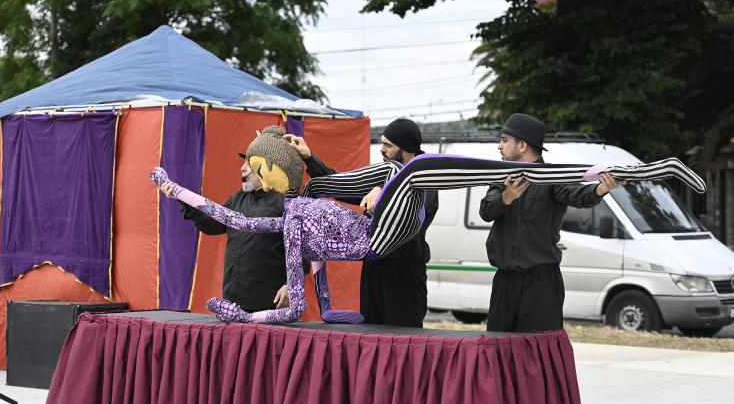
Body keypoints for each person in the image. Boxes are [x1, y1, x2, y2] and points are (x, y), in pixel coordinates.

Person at [150, 124, 703, 325]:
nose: (384, 150)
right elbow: (317, 209)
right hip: (365, 253)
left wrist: (609, 182)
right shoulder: (291, 204)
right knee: (352, 187)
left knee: (405, 180)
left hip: (398, 247)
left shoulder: (408, 180)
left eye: (392, 146)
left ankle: (665, 166)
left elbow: (582, 190)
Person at [285, 118, 439, 328]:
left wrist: (382, 192)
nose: (381, 150)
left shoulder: (426, 179)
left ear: (406, 151)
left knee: (403, 343)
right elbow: (341, 184)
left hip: (404, 276)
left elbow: (407, 202)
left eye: (388, 145)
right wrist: (310, 158)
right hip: (374, 269)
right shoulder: (381, 174)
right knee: (371, 338)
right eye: (381, 143)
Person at [480, 113, 624, 332]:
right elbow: (486, 211)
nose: (499, 146)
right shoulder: (503, 177)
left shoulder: (552, 177)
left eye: (504, 140)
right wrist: (507, 196)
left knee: (536, 354)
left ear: (522, 145)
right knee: (498, 351)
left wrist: (602, 188)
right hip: (504, 282)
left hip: (540, 284)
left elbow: (578, 194)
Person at [160, 151, 293, 312]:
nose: (242, 168)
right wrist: (183, 199)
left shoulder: (285, 202)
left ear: (264, 168)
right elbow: (212, 224)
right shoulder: (237, 198)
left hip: (271, 304)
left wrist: (291, 284)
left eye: (248, 164)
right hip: (234, 301)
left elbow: (302, 251)